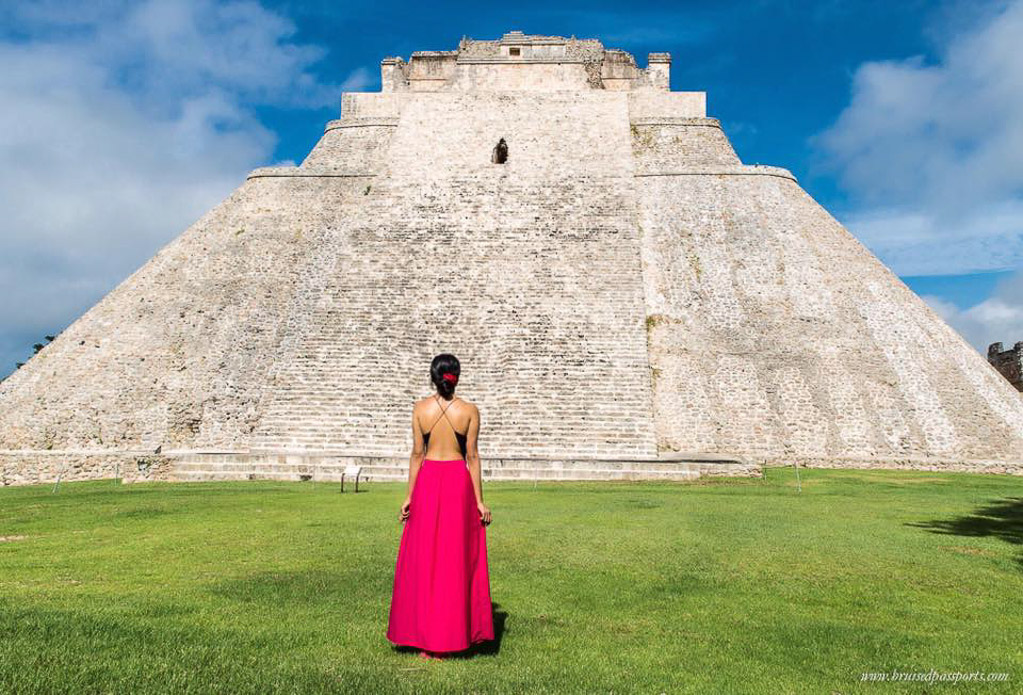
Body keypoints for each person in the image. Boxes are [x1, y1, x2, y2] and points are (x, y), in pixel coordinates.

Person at [386, 353, 495, 659]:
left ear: (433, 377)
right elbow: (472, 456)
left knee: (425, 560)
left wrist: (409, 495)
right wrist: (479, 501)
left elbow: (416, 455)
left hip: (428, 483)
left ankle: (423, 636)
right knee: (454, 560)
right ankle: (451, 636)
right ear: (456, 376)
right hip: (457, 484)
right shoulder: (470, 411)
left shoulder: (420, 409)